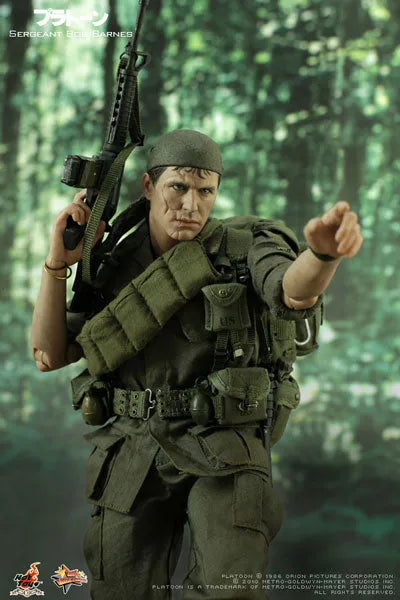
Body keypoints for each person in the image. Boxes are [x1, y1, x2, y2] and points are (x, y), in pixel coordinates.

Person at [30, 129, 363, 600]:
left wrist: (322, 257)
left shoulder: (246, 246)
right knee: (119, 587)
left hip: (223, 445)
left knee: (230, 586)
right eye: (178, 187)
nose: (191, 204)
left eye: (206, 191)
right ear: (149, 186)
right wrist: (57, 263)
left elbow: (291, 290)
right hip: (133, 448)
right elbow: (48, 354)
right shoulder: (114, 259)